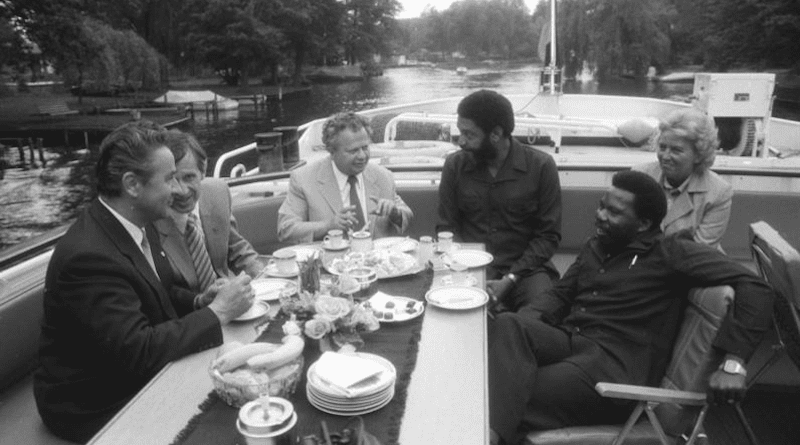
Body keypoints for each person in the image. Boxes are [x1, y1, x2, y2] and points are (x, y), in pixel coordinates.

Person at [488, 170, 774, 445]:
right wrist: (517, 336)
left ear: (644, 224)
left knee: (505, 393)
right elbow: (559, 296)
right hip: (573, 341)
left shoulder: (670, 253)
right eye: (601, 207)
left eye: (613, 213)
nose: (600, 216)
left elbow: (756, 287)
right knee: (508, 326)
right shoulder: (597, 246)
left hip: (612, 372)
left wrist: (734, 363)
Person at [34, 121, 254, 442]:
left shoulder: (141, 220)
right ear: (132, 185)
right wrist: (217, 313)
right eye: (168, 179)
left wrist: (198, 301)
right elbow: (137, 352)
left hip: (136, 371)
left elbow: (160, 291)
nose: (178, 190)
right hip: (95, 402)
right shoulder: (89, 258)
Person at [437, 89, 561, 311]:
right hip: (469, 268)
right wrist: (466, 272)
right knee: (464, 316)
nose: (461, 141)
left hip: (527, 270)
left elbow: (548, 236)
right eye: (460, 132)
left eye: (469, 134)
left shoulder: (541, 167)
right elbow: (447, 227)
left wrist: (512, 278)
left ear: (495, 134)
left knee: (541, 316)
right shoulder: (454, 166)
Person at [154, 130, 263, 311]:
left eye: (189, 177)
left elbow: (237, 249)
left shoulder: (217, 192)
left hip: (232, 301)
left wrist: (262, 275)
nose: (181, 190)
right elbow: (164, 292)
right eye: (171, 180)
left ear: (203, 170)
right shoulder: (151, 219)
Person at [277, 111, 413, 243]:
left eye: (365, 148)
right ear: (332, 151)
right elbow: (286, 229)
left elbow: (406, 216)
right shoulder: (303, 179)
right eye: (353, 151)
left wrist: (395, 213)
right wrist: (328, 225)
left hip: (377, 263)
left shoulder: (383, 176)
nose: (362, 156)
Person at [633, 108, 733, 250]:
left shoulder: (719, 192)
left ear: (698, 155)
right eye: (662, 147)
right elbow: (626, 232)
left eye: (676, 150)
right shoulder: (639, 176)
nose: (665, 156)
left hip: (694, 266)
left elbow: (700, 252)